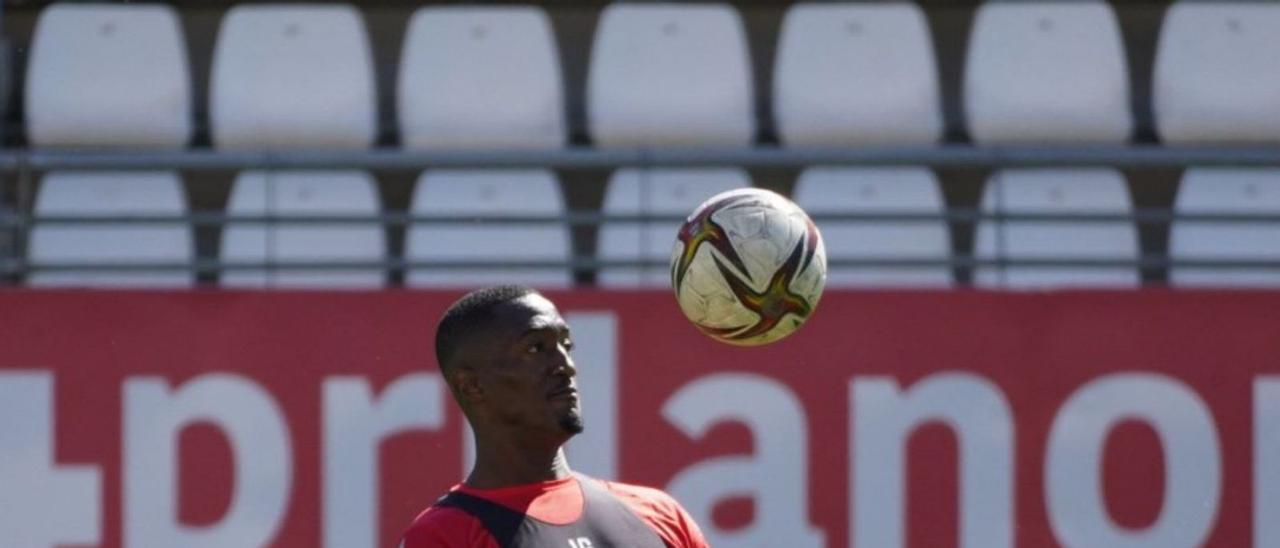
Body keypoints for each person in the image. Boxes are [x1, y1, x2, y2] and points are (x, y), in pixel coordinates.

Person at [400, 285, 709, 548]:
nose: (567, 365)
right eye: (536, 348)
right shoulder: (444, 535)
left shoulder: (659, 513)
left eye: (566, 345)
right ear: (472, 385)